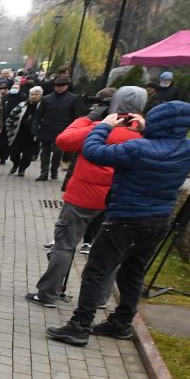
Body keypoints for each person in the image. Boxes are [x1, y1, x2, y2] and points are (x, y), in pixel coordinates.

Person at [47, 99, 190, 346]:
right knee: (133, 272)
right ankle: (121, 323)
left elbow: (93, 151)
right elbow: (172, 142)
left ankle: (79, 326)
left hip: (125, 219)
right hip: (158, 220)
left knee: (96, 271)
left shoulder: (138, 148)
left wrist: (104, 126)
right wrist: (145, 129)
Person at [27, 86, 146, 306]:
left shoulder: (99, 129)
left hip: (82, 197)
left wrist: (87, 118)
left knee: (64, 245)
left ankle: (48, 293)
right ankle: (99, 299)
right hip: (116, 201)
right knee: (109, 252)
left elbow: (63, 140)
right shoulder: (143, 134)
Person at [34, 73, 82, 180]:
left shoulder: (72, 98)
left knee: (58, 151)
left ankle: (54, 170)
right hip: (47, 128)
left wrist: (74, 130)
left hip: (63, 130)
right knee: (45, 152)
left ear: (66, 86)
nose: (60, 88)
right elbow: (38, 114)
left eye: (62, 86)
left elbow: (75, 116)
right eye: (58, 86)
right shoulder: (47, 99)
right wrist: (35, 127)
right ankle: (44, 172)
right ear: (54, 86)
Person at [8, 85, 44, 174]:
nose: (34, 96)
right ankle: (16, 164)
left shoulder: (42, 107)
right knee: (13, 153)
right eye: (32, 94)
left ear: (41, 95)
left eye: (36, 94)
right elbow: (11, 116)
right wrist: (9, 128)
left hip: (32, 136)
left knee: (28, 156)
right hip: (18, 134)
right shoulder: (22, 105)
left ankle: (22, 169)